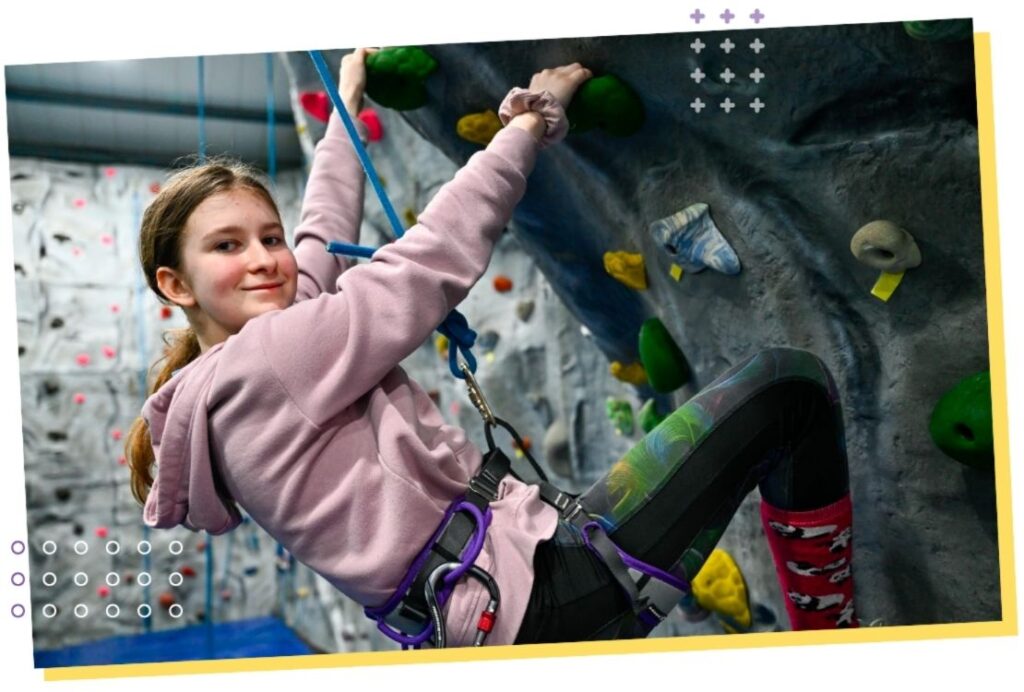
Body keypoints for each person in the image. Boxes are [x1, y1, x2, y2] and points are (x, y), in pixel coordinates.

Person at [127, 48, 858, 648]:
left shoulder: (223, 388)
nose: (264, 258)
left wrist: (347, 102)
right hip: (543, 594)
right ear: (176, 283)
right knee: (789, 388)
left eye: (267, 237)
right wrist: (529, 122)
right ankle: (833, 633)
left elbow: (319, 230)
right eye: (228, 246)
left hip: (491, 609)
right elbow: (430, 257)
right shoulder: (273, 359)